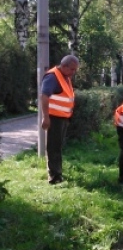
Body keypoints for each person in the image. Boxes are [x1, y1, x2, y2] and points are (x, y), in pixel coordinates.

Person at [41, 55, 79, 184]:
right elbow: (44, 96)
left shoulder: (65, 76)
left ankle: (58, 173)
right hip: (54, 118)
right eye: (72, 69)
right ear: (64, 66)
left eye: (75, 70)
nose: (73, 72)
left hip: (63, 118)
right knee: (53, 147)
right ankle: (54, 177)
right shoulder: (52, 77)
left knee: (57, 147)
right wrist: (45, 117)